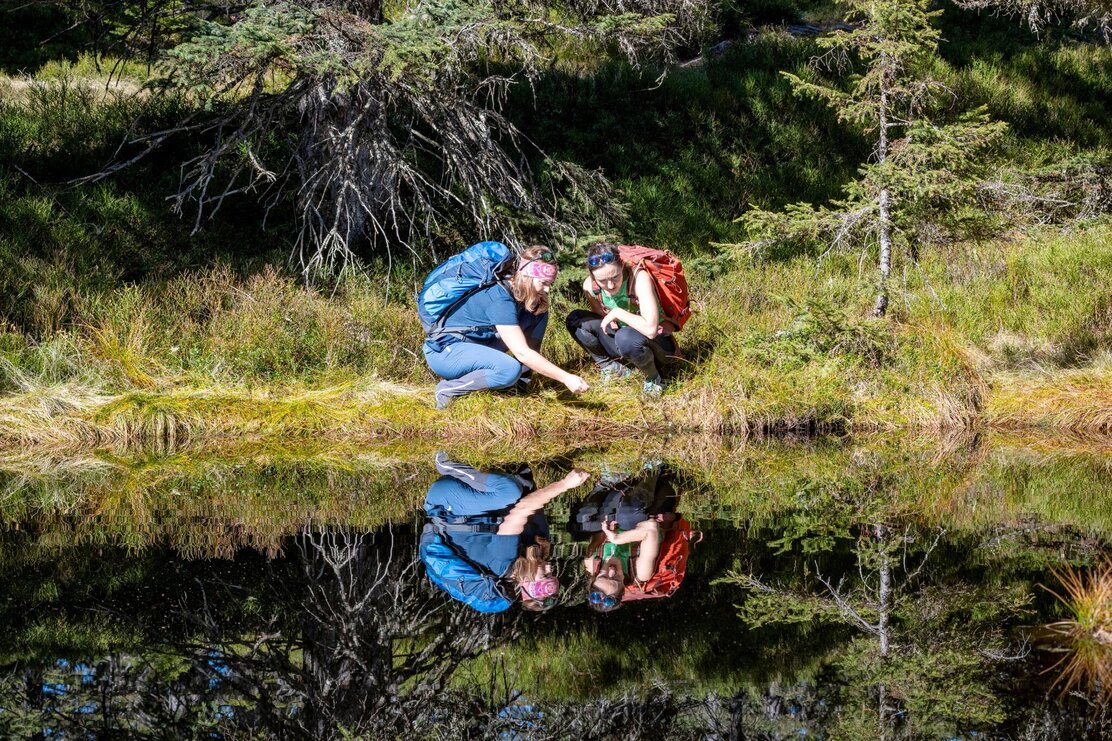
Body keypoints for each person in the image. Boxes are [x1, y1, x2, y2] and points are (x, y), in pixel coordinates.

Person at [424, 245, 590, 409]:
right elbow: (522, 353)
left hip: (477, 347)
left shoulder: (524, 296)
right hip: (447, 351)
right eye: (544, 283)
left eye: (550, 284)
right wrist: (565, 378)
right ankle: (448, 390)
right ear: (527, 276)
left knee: (539, 312)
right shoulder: (500, 298)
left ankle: (520, 384)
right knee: (508, 369)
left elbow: (526, 347)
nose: (547, 289)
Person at [422, 454, 590, 611]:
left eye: (545, 574)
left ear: (527, 581)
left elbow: (522, 510)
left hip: (446, 503)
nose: (549, 566)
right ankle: (506, 469)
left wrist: (565, 484)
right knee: (534, 524)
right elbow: (530, 510)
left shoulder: (502, 563)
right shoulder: (532, 552)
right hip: (472, 508)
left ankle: (446, 464)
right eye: (552, 573)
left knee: (508, 492)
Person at [565, 243, 677, 397]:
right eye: (602, 280)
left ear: (622, 266)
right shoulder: (590, 287)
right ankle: (612, 368)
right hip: (626, 341)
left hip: (658, 344)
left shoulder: (639, 278)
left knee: (625, 336)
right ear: (592, 276)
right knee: (575, 320)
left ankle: (654, 379)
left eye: (615, 277)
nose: (610, 285)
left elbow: (651, 330)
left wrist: (618, 312)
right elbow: (602, 319)